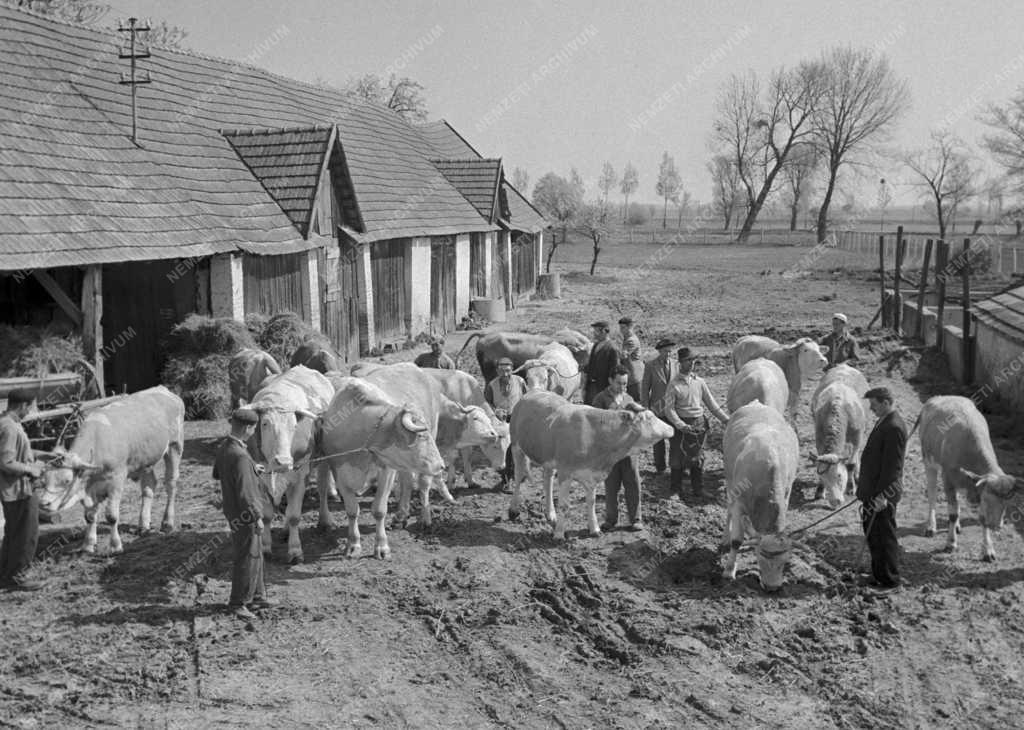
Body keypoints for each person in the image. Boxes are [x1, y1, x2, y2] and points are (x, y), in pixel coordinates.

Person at [212, 408, 274, 619]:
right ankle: (238, 602)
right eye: (254, 428)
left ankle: (258, 596)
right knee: (246, 555)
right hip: (244, 513)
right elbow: (246, 494)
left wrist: (251, 468)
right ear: (248, 428)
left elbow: (217, 472)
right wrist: (257, 517)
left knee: (255, 552)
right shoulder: (239, 455)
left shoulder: (226, 447)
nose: (253, 432)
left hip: (232, 509)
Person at [856, 386, 907, 590]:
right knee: (874, 535)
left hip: (882, 495)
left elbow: (892, 466)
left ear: (886, 402)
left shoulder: (894, 426)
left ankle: (890, 581)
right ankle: (879, 574)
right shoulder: (885, 421)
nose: (871, 409)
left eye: (874, 405)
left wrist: (882, 496)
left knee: (884, 537)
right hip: (873, 491)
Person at [661, 347, 729, 499]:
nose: (691, 363)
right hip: (681, 426)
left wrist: (726, 420)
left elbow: (712, 404)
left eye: (693, 360)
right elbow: (669, 410)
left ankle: (698, 489)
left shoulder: (700, 382)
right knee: (677, 457)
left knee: (697, 457)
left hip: (699, 423)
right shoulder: (673, 385)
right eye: (687, 360)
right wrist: (680, 425)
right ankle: (676, 490)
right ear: (680, 363)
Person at [0, 389, 44, 591]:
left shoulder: (9, 424)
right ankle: (18, 576)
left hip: (16, 490)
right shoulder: (9, 428)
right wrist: (32, 469)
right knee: (26, 534)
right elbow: (6, 462)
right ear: (23, 405)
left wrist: (48, 454)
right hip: (18, 490)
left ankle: (6, 574)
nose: (31, 411)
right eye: (31, 406)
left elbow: (20, 452)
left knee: (13, 533)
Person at [593, 367, 647, 532]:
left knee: (633, 483)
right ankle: (611, 519)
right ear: (610, 381)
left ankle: (636, 519)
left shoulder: (629, 398)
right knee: (611, 485)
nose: (623, 386)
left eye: (625, 383)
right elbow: (594, 423)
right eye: (619, 383)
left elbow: (638, 421)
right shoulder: (601, 399)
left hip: (629, 450)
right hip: (610, 451)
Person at [485, 357, 528, 489]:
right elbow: (486, 403)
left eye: (508, 371)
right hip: (500, 421)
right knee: (505, 450)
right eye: (502, 371)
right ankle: (506, 480)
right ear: (497, 371)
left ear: (512, 370)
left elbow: (527, 397)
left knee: (517, 449)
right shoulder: (492, 385)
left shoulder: (520, 381)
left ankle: (517, 475)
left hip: (517, 418)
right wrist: (495, 411)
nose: (505, 374)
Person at [639, 338, 678, 474]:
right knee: (658, 440)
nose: (668, 354)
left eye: (670, 352)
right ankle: (660, 468)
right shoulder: (650, 366)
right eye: (666, 351)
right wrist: (645, 407)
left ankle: (676, 466)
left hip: (674, 409)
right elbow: (645, 388)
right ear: (660, 351)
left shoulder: (676, 365)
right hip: (657, 408)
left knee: (675, 439)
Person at [583, 320, 622, 406]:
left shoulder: (612, 348)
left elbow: (615, 371)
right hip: (591, 387)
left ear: (604, 331)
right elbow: (593, 364)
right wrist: (584, 368)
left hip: (603, 388)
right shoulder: (595, 345)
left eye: (596, 331)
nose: (594, 333)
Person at [618, 316, 645, 401]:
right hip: (631, 376)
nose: (621, 330)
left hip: (634, 377)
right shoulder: (627, 339)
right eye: (620, 328)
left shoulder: (631, 340)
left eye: (623, 328)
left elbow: (623, 355)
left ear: (630, 327)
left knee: (636, 403)